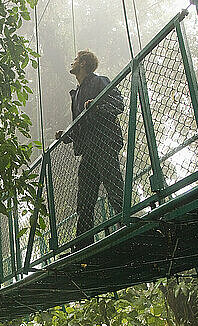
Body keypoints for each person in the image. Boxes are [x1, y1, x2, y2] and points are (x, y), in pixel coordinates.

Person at [55, 50, 124, 249]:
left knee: (113, 185)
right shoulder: (76, 95)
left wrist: (97, 105)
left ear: (83, 63)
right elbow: (80, 126)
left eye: (75, 59)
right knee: (84, 198)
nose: (72, 62)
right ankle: (83, 244)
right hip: (88, 150)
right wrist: (66, 135)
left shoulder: (100, 81)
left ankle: (125, 222)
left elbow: (117, 103)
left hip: (103, 142)